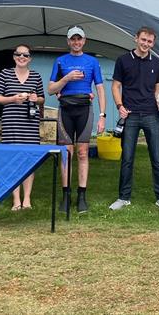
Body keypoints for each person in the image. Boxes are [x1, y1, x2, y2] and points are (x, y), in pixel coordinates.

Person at [109, 26, 159, 211]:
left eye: (150, 41)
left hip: (152, 115)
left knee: (157, 158)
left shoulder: (156, 63)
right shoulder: (123, 60)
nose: (146, 44)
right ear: (136, 38)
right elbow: (115, 86)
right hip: (130, 115)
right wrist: (120, 106)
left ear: (153, 43)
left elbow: (158, 88)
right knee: (127, 158)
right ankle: (123, 198)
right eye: (143, 40)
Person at [48, 25, 107, 214]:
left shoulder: (92, 62)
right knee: (66, 154)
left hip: (84, 110)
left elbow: (99, 88)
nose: (76, 42)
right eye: (73, 39)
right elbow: (51, 89)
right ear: (68, 41)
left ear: (84, 41)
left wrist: (102, 116)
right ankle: (66, 195)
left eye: (79, 39)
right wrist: (66, 78)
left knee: (82, 153)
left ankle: (82, 196)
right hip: (65, 110)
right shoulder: (60, 61)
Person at [0, 43, 45, 210]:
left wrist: (35, 99)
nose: (22, 57)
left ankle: (27, 199)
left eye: (26, 55)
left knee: (29, 160)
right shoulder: (5, 74)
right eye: (19, 54)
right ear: (14, 56)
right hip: (11, 123)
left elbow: (42, 99)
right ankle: (16, 200)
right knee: (13, 160)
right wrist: (13, 99)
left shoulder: (36, 76)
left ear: (30, 58)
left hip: (30, 123)